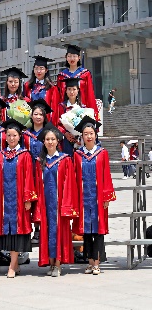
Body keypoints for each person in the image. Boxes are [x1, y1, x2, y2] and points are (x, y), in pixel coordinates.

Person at [0, 122, 37, 278]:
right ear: (5, 137)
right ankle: (15, 264)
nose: (11, 138)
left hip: (19, 201)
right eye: (9, 135)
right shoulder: (0, 155)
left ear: (20, 137)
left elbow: (29, 178)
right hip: (4, 200)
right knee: (8, 233)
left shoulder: (25, 155)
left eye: (14, 135)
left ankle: (12, 266)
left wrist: (28, 198)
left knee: (18, 231)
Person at [73, 117, 115, 275]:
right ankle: (90, 262)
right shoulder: (77, 155)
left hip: (98, 199)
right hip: (83, 199)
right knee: (86, 232)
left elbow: (106, 176)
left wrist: (107, 197)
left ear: (95, 135)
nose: (89, 136)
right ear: (82, 136)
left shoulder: (102, 153)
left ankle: (97, 263)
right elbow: (75, 178)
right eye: (86, 134)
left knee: (97, 231)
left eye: (91, 133)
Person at [36, 129, 78, 277]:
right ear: (43, 142)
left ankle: (58, 264)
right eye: (47, 139)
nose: (50, 142)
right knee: (47, 233)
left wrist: (66, 204)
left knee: (59, 232)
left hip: (59, 203)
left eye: (53, 139)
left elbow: (70, 184)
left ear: (58, 141)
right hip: (45, 204)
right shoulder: (40, 161)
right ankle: (51, 263)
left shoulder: (65, 160)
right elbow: (37, 184)